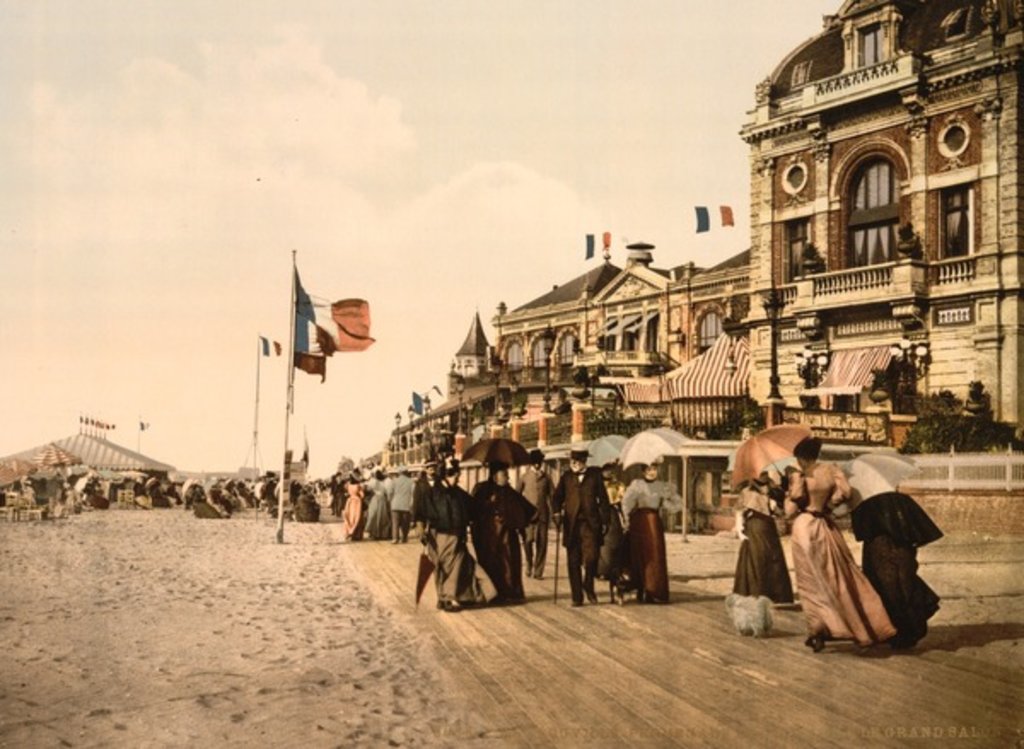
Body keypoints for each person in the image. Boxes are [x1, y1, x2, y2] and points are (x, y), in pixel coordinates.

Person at [785, 437, 896, 652]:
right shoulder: (831, 470)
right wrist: (828, 504)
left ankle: (819, 629)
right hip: (825, 525)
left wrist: (790, 488)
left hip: (804, 527)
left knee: (810, 581)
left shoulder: (800, 475)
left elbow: (792, 506)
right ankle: (857, 625)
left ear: (802, 457)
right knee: (839, 575)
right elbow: (845, 492)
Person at [851, 490, 943, 649]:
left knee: (886, 587)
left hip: (880, 549)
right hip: (901, 550)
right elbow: (919, 531)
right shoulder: (902, 500)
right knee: (904, 585)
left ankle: (898, 630)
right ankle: (908, 630)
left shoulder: (867, 503)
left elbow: (861, 531)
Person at [416, 457, 495, 612]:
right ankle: (445, 598)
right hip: (440, 535)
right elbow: (420, 512)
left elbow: (473, 505)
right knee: (446, 567)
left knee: (461, 566)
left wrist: (488, 502)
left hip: (457, 535)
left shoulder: (457, 492)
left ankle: (463, 596)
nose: (458, 479)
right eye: (455, 476)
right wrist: (420, 529)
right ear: (446, 475)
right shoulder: (432, 492)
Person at [552, 448, 611, 607]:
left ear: (584, 461)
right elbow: (556, 498)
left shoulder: (594, 476)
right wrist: (556, 513)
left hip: (590, 524)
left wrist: (605, 521)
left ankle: (588, 585)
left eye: (578, 461)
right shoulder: (566, 477)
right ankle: (577, 596)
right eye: (573, 461)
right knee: (573, 561)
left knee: (592, 558)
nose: (575, 463)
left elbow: (604, 499)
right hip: (571, 524)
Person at [470, 461, 536, 602]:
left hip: (507, 535)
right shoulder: (482, 490)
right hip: (489, 536)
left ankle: (511, 593)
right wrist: (489, 503)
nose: (508, 477)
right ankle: (493, 594)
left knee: (509, 563)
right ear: (495, 476)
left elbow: (525, 508)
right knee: (492, 563)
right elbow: (474, 511)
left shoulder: (509, 491)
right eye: (504, 474)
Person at [621, 460, 682, 604]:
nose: (651, 472)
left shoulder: (663, 486)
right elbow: (626, 503)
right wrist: (626, 519)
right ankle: (642, 589)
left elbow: (678, 505)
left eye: (654, 469)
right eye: (648, 470)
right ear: (643, 471)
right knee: (641, 555)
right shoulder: (637, 485)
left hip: (654, 523)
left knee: (655, 554)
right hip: (639, 522)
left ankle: (655, 591)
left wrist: (665, 502)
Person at [732, 471, 794, 604]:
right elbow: (739, 511)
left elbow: (781, 513)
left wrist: (775, 503)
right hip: (754, 527)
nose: (763, 478)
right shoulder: (747, 491)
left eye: (765, 475)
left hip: (768, 528)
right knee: (756, 559)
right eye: (761, 475)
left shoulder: (772, 491)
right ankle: (756, 592)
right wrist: (740, 530)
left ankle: (772, 593)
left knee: (772, 558)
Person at [597, 461, 631, 603]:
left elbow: (623, 505)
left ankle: (617, 584)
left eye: (611, 469)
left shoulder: (618, 485)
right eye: (606, 469)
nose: (609, 472)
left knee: (616, 551)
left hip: (613, 519)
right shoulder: (595, 484)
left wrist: (626, 520)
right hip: (598, 517)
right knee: (602, 552)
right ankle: (600, 572)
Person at [517, 449, 554, 579]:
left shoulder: (546, 477)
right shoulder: (524, 477)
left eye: (539, 462)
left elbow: (552, 496)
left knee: (542, 543)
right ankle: (529, 563)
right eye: (534, 462)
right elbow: (516, 496)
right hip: (528, 517)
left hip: (543, 515)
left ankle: (538, 571)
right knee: (528, 541)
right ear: (531, 463)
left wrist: (556, 512)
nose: (537, 465)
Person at [412, 460, 439, 540]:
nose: (432, 470)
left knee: (434, 537)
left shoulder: (440, 482)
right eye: (430, 468)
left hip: (436, 514)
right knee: (422, 537)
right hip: (423, 513)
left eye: (434, 468)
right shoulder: (420, 483)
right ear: (426, 470)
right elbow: (416, 500)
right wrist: (414, 518)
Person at [364, 469, 392, 540]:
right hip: (383, 499)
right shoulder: (384, 482)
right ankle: (382, 533)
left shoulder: (373, 481)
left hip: (376, 499)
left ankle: (374, 533)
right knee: (382, 516)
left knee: (374, 516)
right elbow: (386, 492)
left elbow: (368, 489)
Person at [390, 467, 415, 543]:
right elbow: (413, 493)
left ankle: (395, 538)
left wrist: (391, 501)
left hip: (395, 503)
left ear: (399, 473)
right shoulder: (411, 481)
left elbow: (390, 492)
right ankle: (404, 537)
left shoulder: (394, 481)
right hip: (406, 504)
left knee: (395, 523)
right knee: (405, 523)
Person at [341, 473, 366, 541]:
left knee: (350, 516)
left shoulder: (349, 486)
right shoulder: (358, 486)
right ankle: (357, 534)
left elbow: (348, 493)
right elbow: (362, 495)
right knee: (357, 516)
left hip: (350, 501)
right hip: (357, 502)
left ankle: (349, 531)